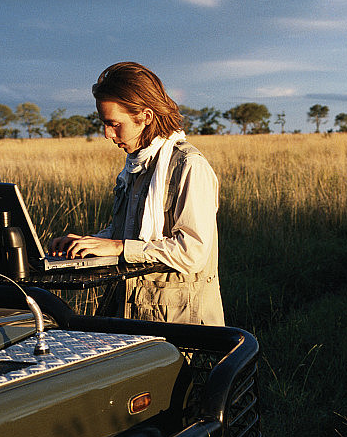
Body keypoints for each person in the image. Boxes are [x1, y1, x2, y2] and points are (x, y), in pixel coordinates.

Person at [50, 61, 224, 325]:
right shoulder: (136, 165)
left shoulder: (189, 166)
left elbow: (192, 253)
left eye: (114, 124)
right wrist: (87, 244)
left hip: (181, 322)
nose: (107, 134)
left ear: (145, 117)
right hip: (132, 312)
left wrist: (118, 247)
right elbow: (128, 233)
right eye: (104, 124)